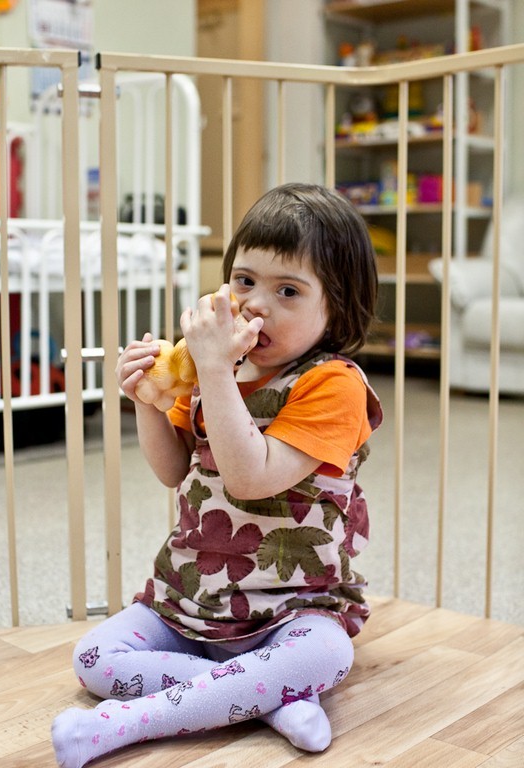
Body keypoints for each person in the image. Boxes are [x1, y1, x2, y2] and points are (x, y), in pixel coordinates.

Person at [52, 182, 383, 768]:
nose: (255, 305)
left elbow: (250, 477)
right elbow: (172, 469)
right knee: (95, 658)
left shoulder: (332, 384)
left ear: (337, 306)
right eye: (244, 281)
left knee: (325, 656)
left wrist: (214, 371)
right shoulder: (216, 368)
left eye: (288, 291)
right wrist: (147, 401)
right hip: (193, 596)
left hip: (291, 608)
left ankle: (123, 725)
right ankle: (265, 698)